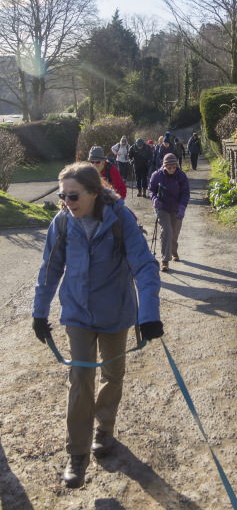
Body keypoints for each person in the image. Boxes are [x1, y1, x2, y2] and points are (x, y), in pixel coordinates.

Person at [32, 162, 163, 488]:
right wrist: (39, 312)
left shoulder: (121, 219)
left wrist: (149, 314)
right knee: (81, 379)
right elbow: (49, 270)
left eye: (72, 195)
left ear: (93, 192)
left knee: (113, 375)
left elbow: (144, 266)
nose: (66, 201)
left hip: (115, 313)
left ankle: (104, 429)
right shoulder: (62, 222)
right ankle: (77, 453)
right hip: (77, 313)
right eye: (62, 195)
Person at [149, 153, 190, 272]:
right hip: (162, 207)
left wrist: (182, 207)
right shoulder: (157, 175)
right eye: (169, 167)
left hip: (177, 207)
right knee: (166, 230)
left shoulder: (181, 176)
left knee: (175, 232)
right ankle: (165, 260)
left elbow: (185, 193)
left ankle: (173, 250)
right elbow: (151, 190)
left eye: (174, 167)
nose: (172, 169)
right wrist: (155, 200)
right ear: (164, 166)